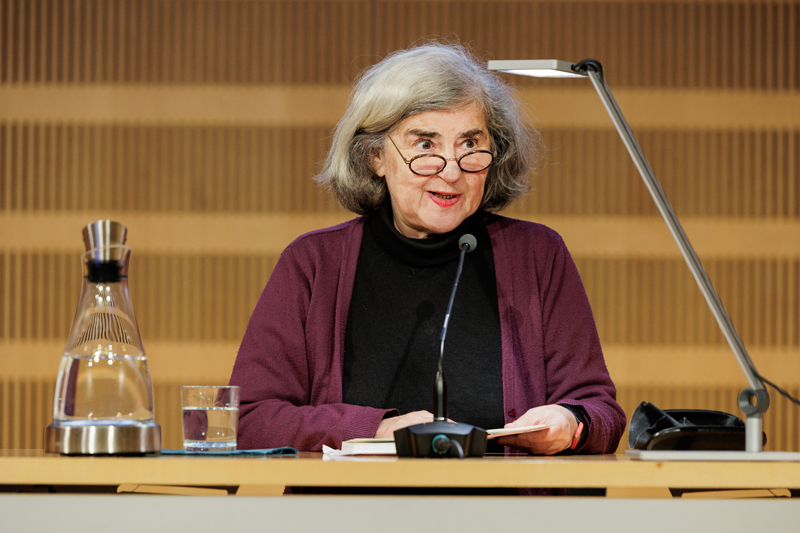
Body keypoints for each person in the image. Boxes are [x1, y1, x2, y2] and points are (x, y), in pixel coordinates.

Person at [229, 42, 626, 457]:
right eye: (425, 145)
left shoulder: (537, 255)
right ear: (376, 156)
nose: (452, 170)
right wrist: (374, 430)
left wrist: (570, 422)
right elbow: (249, 420)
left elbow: (600, 411)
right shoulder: (314, 263)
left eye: (470, 145)